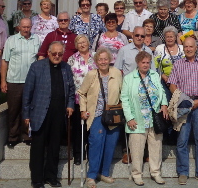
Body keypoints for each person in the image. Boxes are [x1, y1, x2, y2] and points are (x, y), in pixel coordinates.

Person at [23, 41, 75, 188]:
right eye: (54, 53)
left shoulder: (66, 68)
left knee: (54, 147)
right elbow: (27, 92)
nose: (57, 56)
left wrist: (70, 105)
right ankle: (37, 179)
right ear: (48, 53)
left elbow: (71, 90)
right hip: (40, 113)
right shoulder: (36, 67)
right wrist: (26, 114)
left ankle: (51, 177)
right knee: (38, 147)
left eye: (60, 54)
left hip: (59, 114)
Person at [169, 37, 198, 185]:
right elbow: (172, 84)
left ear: (196, 48)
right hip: (183, 106)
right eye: (186, 47)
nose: (188, 49)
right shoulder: (178, 64)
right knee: (182, 140)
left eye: (191, 46)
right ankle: (183, 172)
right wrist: (183, 100)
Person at [121, 51, 169, 186]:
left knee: (156, 148)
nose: (146, 65)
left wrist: (164, 104)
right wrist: (129, 117)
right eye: (143, 62)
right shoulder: (129, 78)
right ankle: (137, 174)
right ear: (138, 63)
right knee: (136, 149)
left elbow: (162, 91)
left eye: (148, 62)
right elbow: (124, 99)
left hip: (154, 118)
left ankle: (156, 173)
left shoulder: (154, 75)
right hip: (137, 119)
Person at [79, 48, 123, 188]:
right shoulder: (92, 74)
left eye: (105, 59)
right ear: (96, 61)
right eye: (100, 59)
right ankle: (91, 176)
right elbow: (81, 93)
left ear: (110, 60)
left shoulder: (116, 73)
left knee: (110, 145)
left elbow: (122, 92)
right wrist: (83, 110)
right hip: (97, 115)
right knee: (96, 145)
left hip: (114, 115)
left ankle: (104, 173)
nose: (103, 62)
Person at [0, 18, 41, 147]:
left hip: (31, 81)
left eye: (28, 27)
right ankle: (13, 137)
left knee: (28, 110)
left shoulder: (36, 39)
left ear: (31, 27)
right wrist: (3, 80)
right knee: (14, 109)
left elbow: (40, 59)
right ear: (19, 27)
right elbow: (4, 61)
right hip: (14, 80)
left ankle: (26, 135)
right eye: (24, 27)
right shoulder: (11, 40)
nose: (26, 29)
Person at [68, 35, 97, 166]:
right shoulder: (72, 59)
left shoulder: (96, 57)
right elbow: (69, 79)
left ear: (88, 43)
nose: (82, 44)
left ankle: (91, 154)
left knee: (91, 128)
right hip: (77, 98)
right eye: (79, 43)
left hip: (93, 99)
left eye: (84, 42)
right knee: (78, 128)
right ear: (76, 45)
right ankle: (78, 154)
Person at [154, 26, 185, 102]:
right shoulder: (159, 48)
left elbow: (186, 65)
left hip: (180, 81)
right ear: (164, 38)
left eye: (171, 37)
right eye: (167, 37)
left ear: (175, 37)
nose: (169, 39)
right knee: (166, 101)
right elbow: (155, 66)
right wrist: (163, 76)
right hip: (165, 81)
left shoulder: (182, 49)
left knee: (179, 102)